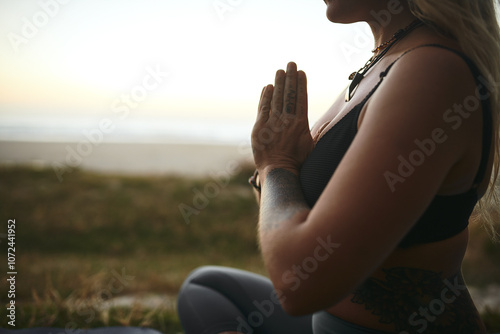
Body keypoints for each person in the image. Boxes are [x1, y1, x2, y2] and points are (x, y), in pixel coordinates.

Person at [177, 0, 500, 333]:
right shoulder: (383, 63)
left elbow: (299, 283)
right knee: (205, 288)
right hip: (324, 319)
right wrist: (279, 169)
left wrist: (276, 165)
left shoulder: (432, 71)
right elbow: (289, 228)